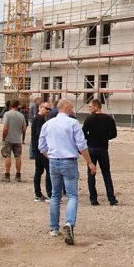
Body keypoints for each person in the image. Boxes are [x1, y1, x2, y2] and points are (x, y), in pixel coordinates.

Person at [37, 98, 96, 245]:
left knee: (55, 195)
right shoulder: (73, 123)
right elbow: (81, 145)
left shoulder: (48, 124)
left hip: (54, 161)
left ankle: (54, 228)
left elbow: (42, 147)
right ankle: (69, 223)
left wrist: (50, 157)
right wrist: (89, 162)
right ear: (67, 108)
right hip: (69, 161)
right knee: (72, 195)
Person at [82, 98, 118, 206]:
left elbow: (83, 133)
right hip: (103, 148)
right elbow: (114, 134)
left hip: (92, 148)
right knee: (106, 174)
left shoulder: (89, 119)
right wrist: (105, 137)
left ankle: (93, 199)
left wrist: (90, 138)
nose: (89, 108)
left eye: (90, 106)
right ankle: (111, 198)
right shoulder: (109, 119)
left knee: (91, 173)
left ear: (96, 106)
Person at [31, 100, 53, 202]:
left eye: (49, 109)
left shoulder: (39, 118)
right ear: (40, 107)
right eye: (46, 108)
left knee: (39, 172)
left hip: (37, 149)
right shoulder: (40, 119)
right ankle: (50, 194)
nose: (48, 110)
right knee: (48, 171)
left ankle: (38, 194)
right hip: (41, 150)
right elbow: (40, 134)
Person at [1, 99, 27, 182]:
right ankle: (18, 174)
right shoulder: (21, 115)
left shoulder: (7, 114)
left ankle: (7, 175)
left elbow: (5, 128)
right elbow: (24, 128)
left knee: (7, 156)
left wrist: (3, 137)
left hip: (8, 138)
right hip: (17, 139)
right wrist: (21, 136)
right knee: (18, 157)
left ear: (10, 106)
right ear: (18, 106)